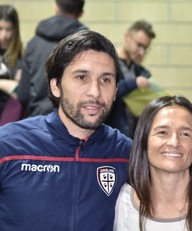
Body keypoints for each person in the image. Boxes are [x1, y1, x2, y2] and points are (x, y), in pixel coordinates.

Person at [0, 29, 132, 231]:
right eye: (81, 77)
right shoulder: (8, 147)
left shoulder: (127, 154)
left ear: (115, 91)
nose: (95, 92)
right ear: (56, 86)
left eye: (105, 80)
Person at [114, 95, 192, 231]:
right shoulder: (122, 201)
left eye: (185, 134)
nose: (174, 142)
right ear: (144, 142)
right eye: (163, 132)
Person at [17, 0, 87, 117]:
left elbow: (23, 94)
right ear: (81, 13)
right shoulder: (87, 45)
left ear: (56, 8)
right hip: (74, 120)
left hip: (38, 117)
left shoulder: (34, 43)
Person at [106, 20, 156, 138]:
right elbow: (108, 91)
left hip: (133, 138)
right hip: (113, 137)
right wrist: (134, 83)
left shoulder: (140, 71)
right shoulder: (108, 65)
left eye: (145, 48)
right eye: (139, 45)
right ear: (127, 36)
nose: (141, 51)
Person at [0, 5, 24, 125]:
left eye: (8, 29)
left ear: (15, 29)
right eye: (0, 28)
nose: (4, 35)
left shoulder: (22, 57)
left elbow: (21, 92)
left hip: (9, 121)